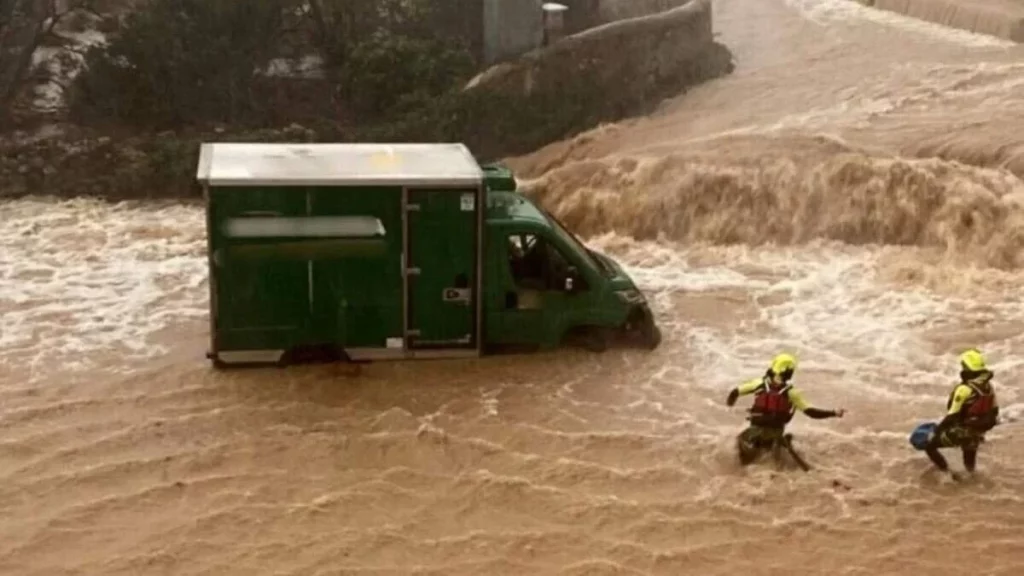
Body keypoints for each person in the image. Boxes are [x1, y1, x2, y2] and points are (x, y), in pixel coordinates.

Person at [725, 353, 846, 466]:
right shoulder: (792, 393)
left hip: (755, 431)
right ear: (789, 373)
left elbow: (734, 392)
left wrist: (729, 406)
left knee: (742, 444)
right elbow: (811, 412)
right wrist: (834, 413)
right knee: (778, 453)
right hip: (776, 433)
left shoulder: (758, 384)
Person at [924, 348, 999, 481]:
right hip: (978, 432)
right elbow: (994, 411)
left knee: (929, 445)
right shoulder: (988, 387)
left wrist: (936, 432)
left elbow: (952, 416)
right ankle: (971, 482)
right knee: (970, 465)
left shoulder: (964, 389)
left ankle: (948, 474)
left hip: (964, 430)